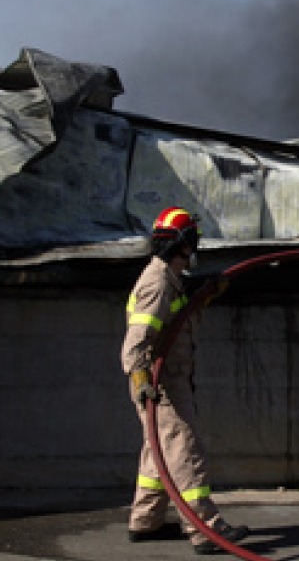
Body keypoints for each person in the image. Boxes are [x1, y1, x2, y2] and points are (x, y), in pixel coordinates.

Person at [121, 207, 249, 555]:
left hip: (166, 381)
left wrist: (204, 295)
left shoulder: (168, 277)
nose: (194, 248)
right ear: (182, 244)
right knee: (185, 452)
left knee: (158, 451)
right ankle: (207, 530)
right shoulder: (159, 282)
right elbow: (136, 342)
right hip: (162, 385)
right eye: (191, 241)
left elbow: (175, 318)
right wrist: (142, 378)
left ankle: (146, 522)